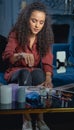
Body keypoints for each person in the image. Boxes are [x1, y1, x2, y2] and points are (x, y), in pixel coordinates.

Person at [2, 1, 54, 130]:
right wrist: (21, 55)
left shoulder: (44, 37)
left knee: (38, 73)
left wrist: (48, 79)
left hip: (33, 72)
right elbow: (7, 56)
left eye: (41, 22)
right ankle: (26, 119)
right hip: (16, 72)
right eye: (34, 21)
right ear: (27, 19)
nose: (37, 25)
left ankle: (40, 120)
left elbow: (47, 61)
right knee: (25, 73)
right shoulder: (16, 33)